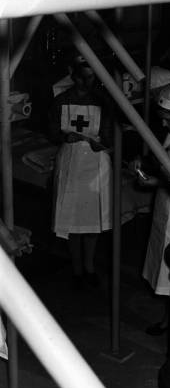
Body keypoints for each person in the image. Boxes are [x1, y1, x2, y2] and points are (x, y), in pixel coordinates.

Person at [49, 55, 113, 288]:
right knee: (72, 219)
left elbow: (109, 133)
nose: (87, 83)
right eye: (83, 78)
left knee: (92, 219)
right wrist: (65, 136)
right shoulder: (61, 101)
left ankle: (89, 267)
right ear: (74, 77)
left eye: (91, 78)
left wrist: (102, 143)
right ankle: (77, 269)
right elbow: (52, 130)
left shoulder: (103, 101)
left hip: (96, 163)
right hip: (71, 162)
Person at [134, 85, 170, 335]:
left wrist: (156, 182)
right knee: (164, 265)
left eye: (169, 119)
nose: (165, 124)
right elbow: (160, 161)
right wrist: (142, 162)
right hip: (164, 206)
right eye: (163, 119)